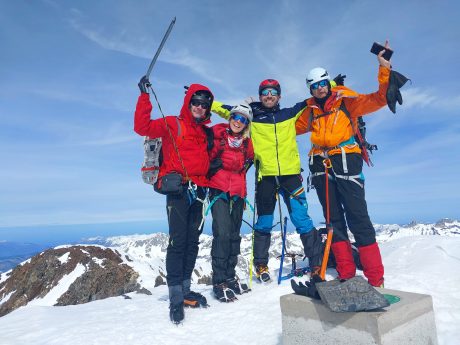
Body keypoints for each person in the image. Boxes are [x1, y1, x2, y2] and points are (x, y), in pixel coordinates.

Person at [295, 42, 393, 288]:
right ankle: (347, 274)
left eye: (322, 83)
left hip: (346, 161)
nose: (319, 88)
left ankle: (375, 279)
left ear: (328, 82)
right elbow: (285, 129)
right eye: (313, 85)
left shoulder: (346, 102)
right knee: (333, 222)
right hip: (320, 166)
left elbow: (380, 98)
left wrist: (384, 68)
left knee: (358, 219)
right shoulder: (310, 111)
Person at [212, 80, 324, 283]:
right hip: (266, 178)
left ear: (279, 96)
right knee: (263, 222)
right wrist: (204, 99)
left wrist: (330, 83)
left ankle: (316, 264)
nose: (269, 95)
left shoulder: (290, 113)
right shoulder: (252, 117)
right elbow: (226, 110)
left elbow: (314, 97)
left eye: (273, 92)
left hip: (291, 176)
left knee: (302, 220)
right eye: (265, 92)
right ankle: (261, 265)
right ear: (260, 95)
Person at [134, 77, 213, 324]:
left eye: (204, 105)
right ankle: (176, 296)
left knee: (192, 243)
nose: (200, 108)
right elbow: (142, 126)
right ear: (189, 102)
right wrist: (144, 97)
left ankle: (186, 289)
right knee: (178, 243)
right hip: (178, 191)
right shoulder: (172, 124)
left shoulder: (206, 133)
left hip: (200, 191)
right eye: (196, 102)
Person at [207, 103, 254, 302]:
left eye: (243, 119)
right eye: (235, 116)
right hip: (219, 190)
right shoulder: (219, 136)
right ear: (230, 117)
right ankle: (219, 281)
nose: (238, 121)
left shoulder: (246, 143)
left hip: (238, 192)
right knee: (223, 234)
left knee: (234, 235)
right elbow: (207, 154)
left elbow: (249, 160)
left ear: (247, 124)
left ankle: (229, 276)